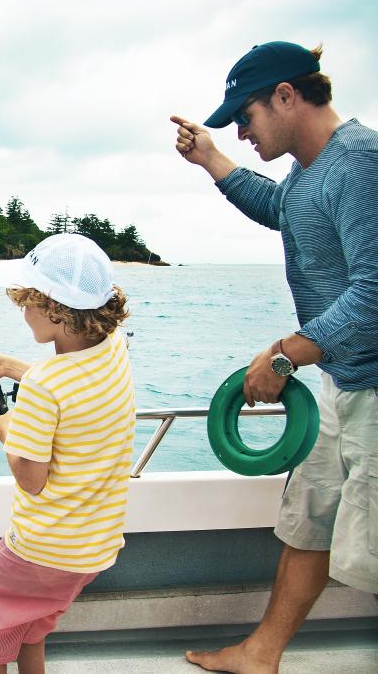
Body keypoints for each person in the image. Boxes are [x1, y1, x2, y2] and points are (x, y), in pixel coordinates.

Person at [170, 41, 378, 673]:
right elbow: (282, 209)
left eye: (246, 115)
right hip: (342, 376)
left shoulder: (360, 162)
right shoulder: (309, 172)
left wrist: (284, 356)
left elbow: (374, 291)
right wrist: (212, 160)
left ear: (287, 96)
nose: (241, 130)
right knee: (309, 521)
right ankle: (261, 654)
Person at [0, 233, 136, 674]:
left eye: (27, 303)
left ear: (55, 309)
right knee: (31, 626)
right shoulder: (114, 346)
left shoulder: (44, 386)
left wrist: (1, 425)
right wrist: (9, 366)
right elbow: (72, 382)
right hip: (94, 546)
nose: (23, 313)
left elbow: (31, 478)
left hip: (44, 548)